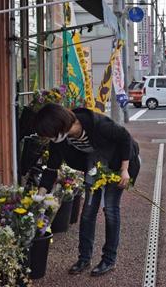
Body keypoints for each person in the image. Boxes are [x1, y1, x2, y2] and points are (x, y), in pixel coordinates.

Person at [35, 103, 140, 277]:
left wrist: (124, 169)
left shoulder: (97, 124)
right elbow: (52, 168)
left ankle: (109, 259)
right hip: (94, 166)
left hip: (117, 164)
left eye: (49, 134)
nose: (49, 138)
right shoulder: (60, 140)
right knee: (88, 212)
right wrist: (41, 193)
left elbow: (124, 138)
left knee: (111, 210)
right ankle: (84, 258)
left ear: (59, 126)